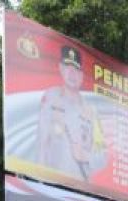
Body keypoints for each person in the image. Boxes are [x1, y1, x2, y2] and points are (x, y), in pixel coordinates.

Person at [36, 44, 109, 181]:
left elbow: (103, 156)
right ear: (61, 69)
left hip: (82, 191)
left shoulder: (91, 111)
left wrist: (86, 156)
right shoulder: (51, 98)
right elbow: (42, 143)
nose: (72, 74)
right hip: (53, 184)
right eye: (68, 68)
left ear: (82, 75)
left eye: (76, 70)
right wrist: (40, 181)